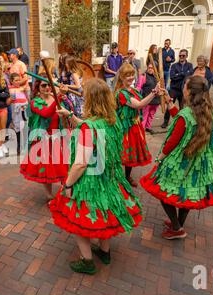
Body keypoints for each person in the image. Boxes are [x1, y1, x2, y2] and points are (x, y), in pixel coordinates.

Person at [49, 78, 142, 274]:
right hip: (109, 178)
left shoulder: (89, 127)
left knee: (78, 221)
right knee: (105, 213)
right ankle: (104, 252)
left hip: (90, 181)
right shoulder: (112, 121)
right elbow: (92, 127)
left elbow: (81, 162)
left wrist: (67, 185)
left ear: (90, 100)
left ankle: (87, 261)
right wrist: (71, 115)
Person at [140, 76, 213, 240]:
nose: (182, 88)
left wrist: (160, 157)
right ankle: (178, 223)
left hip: (182, 162)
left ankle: (177, 228)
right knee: (187, 193)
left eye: (185, 86)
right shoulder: (208, 111)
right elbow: (183, 120)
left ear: (190, 91)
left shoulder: (186, 114)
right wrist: (169, 102)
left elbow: (173, 140)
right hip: (198, 162)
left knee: (164, 191)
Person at [20, 77, 71, 200]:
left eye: (49, 85)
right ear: (38, 88)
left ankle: (66, 190)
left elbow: (66, 116)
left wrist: (66, 102)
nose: (47, 87)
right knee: (47, 168)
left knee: (65, 166)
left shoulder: (56, 99)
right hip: (43, 139)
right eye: (43, 85)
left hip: (59, 137)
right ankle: (49, 195)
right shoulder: (34, 103)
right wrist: (59, 97)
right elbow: (46, 113)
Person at [115, 63, 156, 187]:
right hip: (125, 128)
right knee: (121, 153)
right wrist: (153, 93)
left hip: (135, 126)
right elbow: (139, 105)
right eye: (128, 75)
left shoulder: (132, 90)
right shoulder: (121, 94)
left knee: (131, 154)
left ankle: (127, 177)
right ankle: (116, 178)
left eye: (132, 74)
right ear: (122, 77)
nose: (131, 77)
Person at [161, 49, 194, 128]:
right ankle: (165, 121)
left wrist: (178, 74)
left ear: (186, 56)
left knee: (182, 107)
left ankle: (180, 122)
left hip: (183, 90)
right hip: (174, 89)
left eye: (183, 55)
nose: (181, 57)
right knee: (169, 104)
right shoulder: (174, 65)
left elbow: (190, 75)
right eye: (180, 55)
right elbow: (172, 77)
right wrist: (183, 74)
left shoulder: (190, 65)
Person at [9, 72, 30, 154]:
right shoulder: (10, 89)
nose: (18, 82)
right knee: (17, 128)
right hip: (17, 112)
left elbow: (27, 99)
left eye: (19, 80)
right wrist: (22, 88)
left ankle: (27, 145)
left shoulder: (23, 89)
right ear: (12, 81)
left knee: (26, 127)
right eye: (16, 80)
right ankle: (18, 145)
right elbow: (12, 95)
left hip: (25, 110)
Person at [141, 63, 161, 134]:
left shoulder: (157, 77)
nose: (150, 69)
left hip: (156, 100)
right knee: (144, 115)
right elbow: (139, 87)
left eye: (152, 68)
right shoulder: (144, 76)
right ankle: (142, 129)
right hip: (147, 100)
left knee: (151, 115)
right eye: (149, 67)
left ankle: (148, 127)